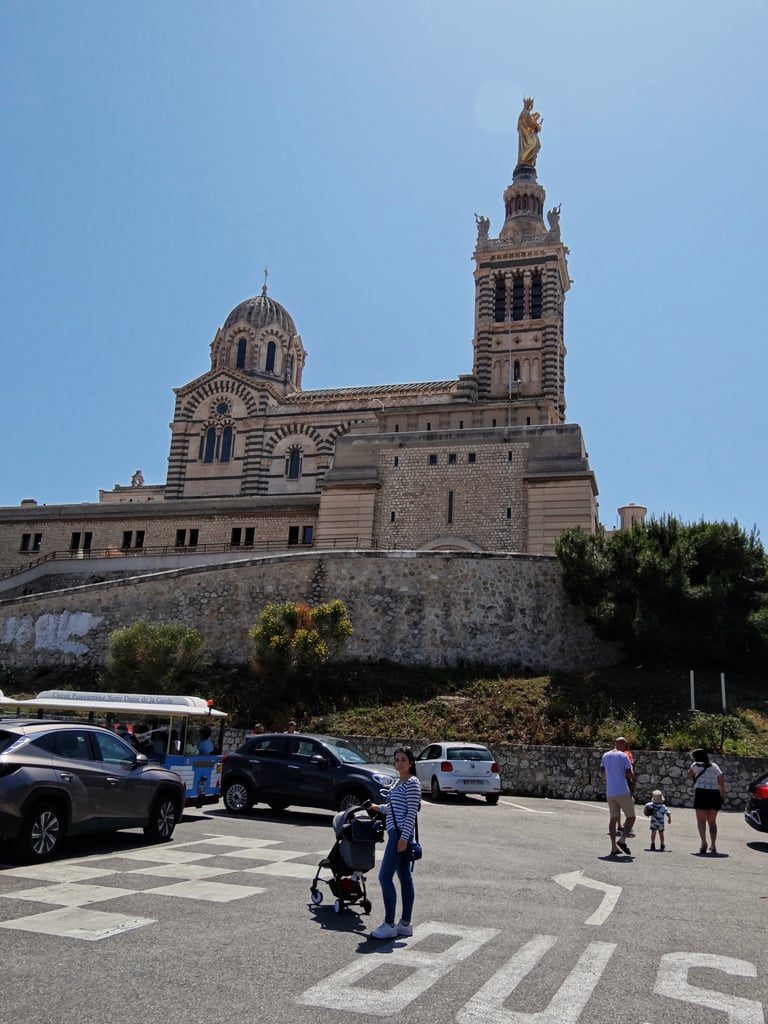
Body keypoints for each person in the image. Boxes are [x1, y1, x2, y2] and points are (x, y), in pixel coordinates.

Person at [368, 746, 421, 940]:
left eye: (403, 760)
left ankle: (389, 924)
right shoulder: (399, 782)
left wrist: (404, 839)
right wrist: (377, 808)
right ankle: (405, 924)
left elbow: (410, 814)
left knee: (384, 877)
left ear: (411, 762)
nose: (399, 763)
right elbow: (394, 808)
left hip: (399, 836)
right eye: (397, 759)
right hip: (396, 834)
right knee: (405, 878)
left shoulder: (412, 783)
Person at [601, 736, 636, 856]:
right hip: (622, 791)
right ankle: (622, 840)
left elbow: (602, 774)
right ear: (623, 745)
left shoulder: (605, 755)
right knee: (631, 817)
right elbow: (629, 773)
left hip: (610, 792)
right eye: (625, 745)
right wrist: (634, 779)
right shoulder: (624, 756)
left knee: (613, 819)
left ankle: (613, 847)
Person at [688, 748, 726, 854]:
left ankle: (703, 842)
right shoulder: (714, 766)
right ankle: (713, 845)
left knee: (701, 821)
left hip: (701, 793)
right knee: (712, 821)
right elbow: (721, 781)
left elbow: (689, 775)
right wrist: (722, 795)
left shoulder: (695, 766)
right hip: (714, 794)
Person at [517, 96, 543, 167]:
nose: (531, 107)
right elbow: (530, 121)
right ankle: (524, 160)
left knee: (536, 145)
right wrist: (537, 125)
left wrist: (536, 127)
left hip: (529, 134)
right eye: (531, 105)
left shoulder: (525, 113)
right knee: (532, 145)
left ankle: (528, 162)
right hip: (527, 135)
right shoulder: (525, 112)